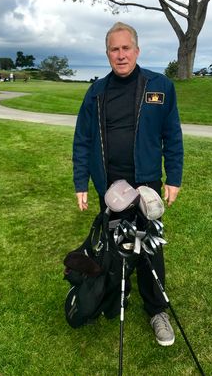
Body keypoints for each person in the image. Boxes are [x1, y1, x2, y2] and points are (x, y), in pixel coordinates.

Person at [72, 22, 183, 346]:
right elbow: (83, 140)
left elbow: (171, 136)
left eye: (125, 48)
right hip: (109, 186)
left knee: (149, 248)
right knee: (114, 245)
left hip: (146, 183)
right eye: (114, 49)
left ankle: (157, 310)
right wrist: (81, 182)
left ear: (137, 50)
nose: (120, 55)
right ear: (107, 53)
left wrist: (173, 177)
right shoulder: (96, 92)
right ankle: (114, 295)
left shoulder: (159, 86)